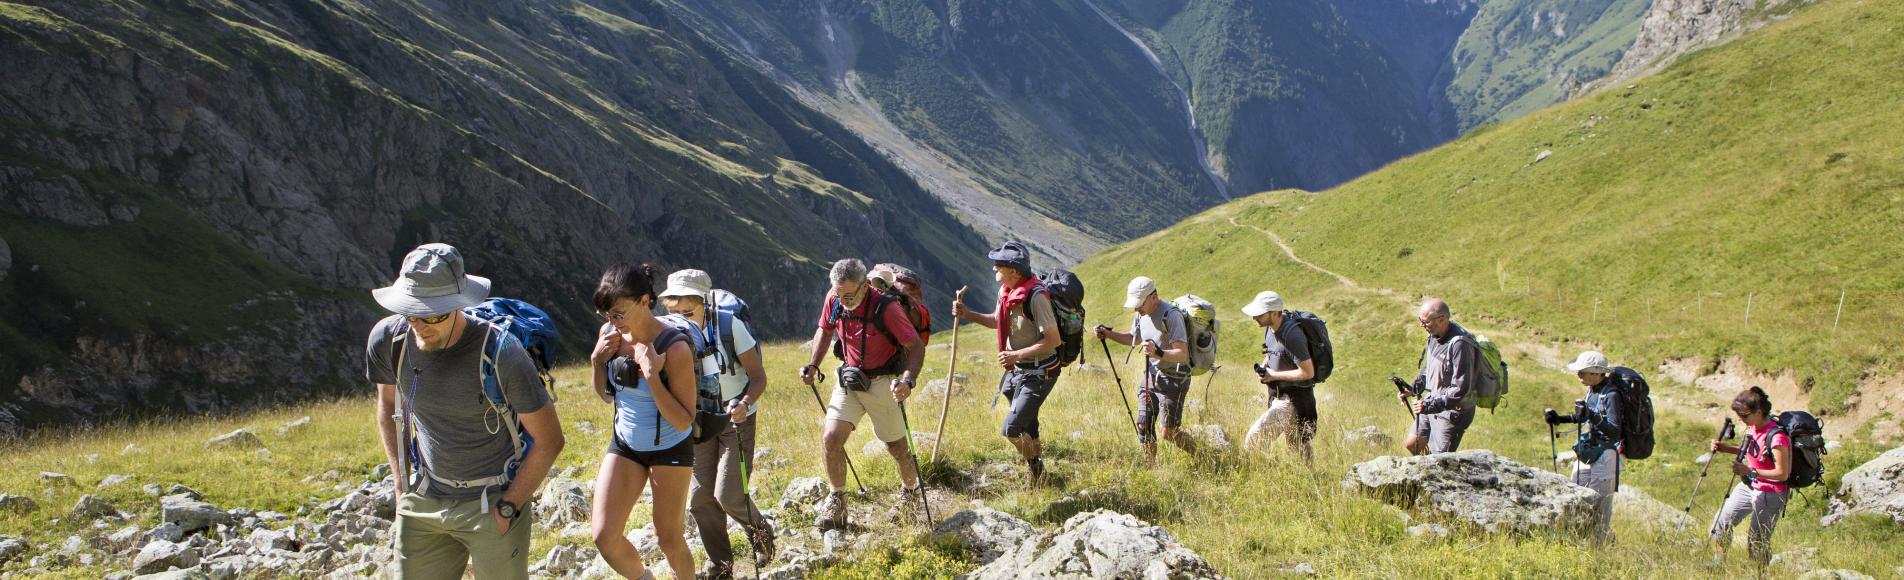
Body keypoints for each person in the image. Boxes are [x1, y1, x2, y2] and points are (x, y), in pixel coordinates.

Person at [367, 243, 565, 580]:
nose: (420, 325)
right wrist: (401, 486)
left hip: (494, 499)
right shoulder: (389, 341)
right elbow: (388, 408)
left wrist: (509, 506)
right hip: (426, 496)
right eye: (411, 312)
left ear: (460, 305)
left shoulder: (502, 354)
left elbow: (550, 440)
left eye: (433, 314)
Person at [657, 270, 775, 579]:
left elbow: (759, 377)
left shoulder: (728, 325)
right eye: (675, 312)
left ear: (705, 303)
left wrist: (745, 404)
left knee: (729, 495)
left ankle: (762, 534)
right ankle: (721, 565)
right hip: (697, 422)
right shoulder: (669, 334)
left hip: (736, 419)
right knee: (700, 499)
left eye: (688, 311)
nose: (682, 319)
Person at [589, 263, 698, 580]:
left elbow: (683, 421)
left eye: (619, 313)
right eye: (607, 314)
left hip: (670, 447)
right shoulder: (609, 335)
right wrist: (597, 362)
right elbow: (606, 395)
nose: (613, 322)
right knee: (604, 536)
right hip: (626, 443)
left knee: (669, 538)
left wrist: (652, 376)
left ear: (644, 301)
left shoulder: (674, 348)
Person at [799, 259, 927, 530]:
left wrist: (908, 380)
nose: (842, 300)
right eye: (838, 293)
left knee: (896, 447)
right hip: (850, 378)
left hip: (884, 383)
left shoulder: (887, 308)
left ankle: (910, 493)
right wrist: (813, 364)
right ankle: (838, 502)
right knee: (831, 438)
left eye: (849, 295)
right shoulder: (835, 299)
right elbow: (825, 329)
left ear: (865, 286)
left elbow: (915, 346)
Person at [952, 242, 1063, 483]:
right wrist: (966, 313)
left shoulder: (1037, 297)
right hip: (1018, 371)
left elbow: (1053, 340)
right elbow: (996, 321)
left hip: (1041, 371)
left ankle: (1037, 470)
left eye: (998, 266)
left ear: (1014, 271)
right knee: (1028, 424)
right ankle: (1038, 475)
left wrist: (1016, 355)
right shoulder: (1007, 291)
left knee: (1011, 429)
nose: (994, 270)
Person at [1094, 276, 1196, 459]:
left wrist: (1159, 353)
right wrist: (1108, 334)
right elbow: (1133, 338)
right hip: (1150, 376)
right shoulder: (1140, 315)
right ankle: (1150, 469)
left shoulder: (1171, 316)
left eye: (1139, 304)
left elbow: (1182, 354)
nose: (1136, 308)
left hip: (1174, 379)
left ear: (1154, 297)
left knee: (1169, 432)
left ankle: (1203, 456)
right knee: (1143, 424)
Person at [1545, 351, 1624, 545]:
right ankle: (1578, 541)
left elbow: (1614, 431)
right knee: (1576, 496)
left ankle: (1599, 548)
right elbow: (1583, 417)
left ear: (1597, 372)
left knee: (1600, 506)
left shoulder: (1612, 395)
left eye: (1583, 371)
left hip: (1606, 456)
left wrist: (1592, 415)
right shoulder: (1592, 390)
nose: (1579, 375)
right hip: (1590, 452)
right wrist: (1559, 419)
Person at [1707, 386, 1792, 568]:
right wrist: (1725, 448)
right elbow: (1753, 451)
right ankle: (1718, 564)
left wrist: (1749, 471)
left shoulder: (1777, 437)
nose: (1741, 419)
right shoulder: (1753, 428)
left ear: (1759, 412)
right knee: (1720, 523)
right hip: (1750, 486)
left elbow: (1782, 473)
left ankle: (1760, 574)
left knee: (1756, 540)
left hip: (1771, 493)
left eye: (1744, 415)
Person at [1241, 291, 1317, 462]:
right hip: (1278, 395)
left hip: (1293, 400)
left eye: (1259, 314)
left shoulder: (1293, 336)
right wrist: (1265, 366)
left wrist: (1273, 375)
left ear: (1275, 313)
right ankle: (1310, 479)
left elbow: (1308, 372)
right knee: (1296, 446)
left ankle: (1256, 474)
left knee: (1254, 440)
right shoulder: (1270, 328)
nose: (1254, 318)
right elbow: (1274, 351)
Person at [1400, 297, 1479, 455]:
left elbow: (1460, 388)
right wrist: (1413, 389)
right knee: (1413, 444)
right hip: (1432, 401)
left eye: (1425, 322)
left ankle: (1434, 476)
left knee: (1441, 460)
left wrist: (1429, 406)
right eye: (1420, 321)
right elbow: (1429, 367)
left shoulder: (1460, 344)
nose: (1422, 326)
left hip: (1452, 411)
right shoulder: (1434, 335)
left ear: (1441, 319)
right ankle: (1427, 472)